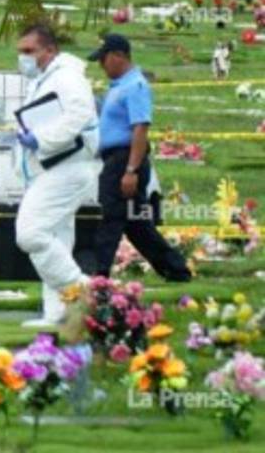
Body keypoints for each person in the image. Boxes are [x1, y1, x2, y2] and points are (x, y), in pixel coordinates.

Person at [14, 23, 101, 328]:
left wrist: (42, 139)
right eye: (20, 52)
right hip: (51, 167)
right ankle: (58, 315)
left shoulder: (67, 77)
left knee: (30, 233)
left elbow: (78, 116)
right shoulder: (44, 79)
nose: (22, 57)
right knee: (56, 241)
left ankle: (84, 290)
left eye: (29, 51)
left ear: (49, 50)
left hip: (68, 166)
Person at [89, 34, 191, 281]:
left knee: (110, 218)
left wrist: (131, 170)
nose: (101, 66)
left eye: (103, 60)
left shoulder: (135, 86)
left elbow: (140, 129)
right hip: (117, 160)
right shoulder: (119, 87)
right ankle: (176, 270)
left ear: (118, 56)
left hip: (124, 161)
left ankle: (98, 277)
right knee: (137, 225)